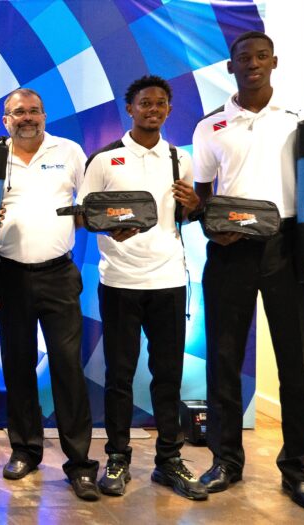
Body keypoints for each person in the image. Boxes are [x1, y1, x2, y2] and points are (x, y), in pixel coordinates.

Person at [192, 31, 304, 512]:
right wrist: (214, 229)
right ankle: (225, 461)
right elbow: (205, 197)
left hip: (289, 245)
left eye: (259, 56)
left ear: (274, 60)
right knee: (224, 361)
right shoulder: (210, 126)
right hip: (230, 251)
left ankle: (298, 470)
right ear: (230, 68)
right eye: (241, 58)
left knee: (296, 364)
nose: (251, 64)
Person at [79, 75, 206, 500]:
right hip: (119, 282)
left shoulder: (179, 159)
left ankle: (168, 459)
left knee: (167, 375)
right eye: (144, 103)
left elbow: (184, 217)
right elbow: (83, 215)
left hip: (169, 281)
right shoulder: (104, 160)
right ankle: (117, 457)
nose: (152, 109)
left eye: (160, 103)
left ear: (169, 110)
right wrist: (109, 228)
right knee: (119, 374)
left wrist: (193, 207)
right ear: (129, 108)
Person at [0, 88, 100, 501]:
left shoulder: (69, 151)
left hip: (58, 275)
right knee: (18, 366)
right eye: (18, 112)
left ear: (44, 114)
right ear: (6, 120)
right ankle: (25, 450)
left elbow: (88, 207)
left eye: (34, 110)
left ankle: (80, 464)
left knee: (68, 369)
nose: (27, 118)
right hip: (8, 276)